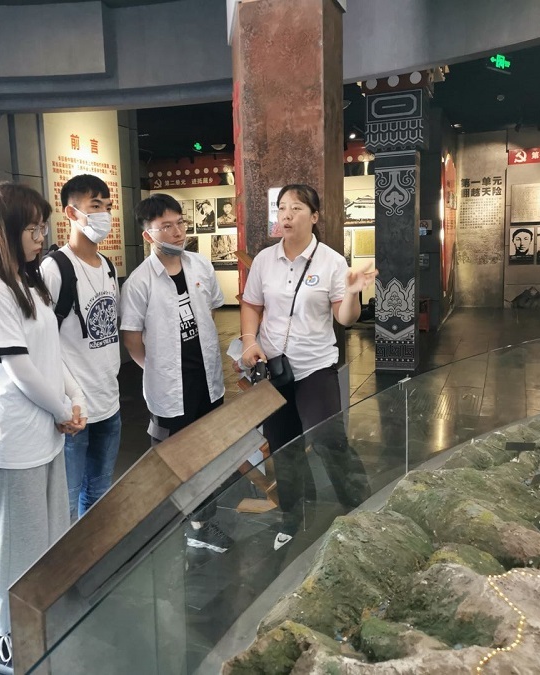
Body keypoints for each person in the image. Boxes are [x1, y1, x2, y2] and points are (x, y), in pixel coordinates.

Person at [0, 182, 86, 668]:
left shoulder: (28, 280)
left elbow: (50, 353)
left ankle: (40, 621)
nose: (40, 237)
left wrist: (74, 399)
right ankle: (4, 636)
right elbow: (19, 369)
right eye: (32, 228)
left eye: (42, 227)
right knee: (13, 545)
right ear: (5, 230)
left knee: (48, 538)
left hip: (46, 431)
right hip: (14, 438)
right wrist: (63, 410)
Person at [240, 184, 377, 551]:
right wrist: (250, 341)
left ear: (314, 216)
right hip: (274, 368)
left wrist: (352, 292)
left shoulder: (331, 261)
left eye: (296, 208)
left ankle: (360, 510)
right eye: (282, 207)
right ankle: (293, 513)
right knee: (282, 445)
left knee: (328, 439)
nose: (286, 215)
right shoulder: (265, 260)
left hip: (315, 366)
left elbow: (345, 319)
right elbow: (251, 304)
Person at [120, 194, 233, 553]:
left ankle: (203, 516)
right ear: (148, 234)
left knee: (208, 450)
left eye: (180, 222)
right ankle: (194, 525)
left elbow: (210, 312)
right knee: (177, 457)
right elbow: (132, 339)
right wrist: (159, 370)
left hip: (206, 380)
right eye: (166, 226)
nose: (177, 231)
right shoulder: (140, 282)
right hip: (170, 388)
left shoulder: (200, 266)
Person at [41, 174, 122, 520]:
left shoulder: (108, 266)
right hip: (73, 410)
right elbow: (41, 342)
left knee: (100, 493)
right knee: (67, 498)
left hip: (108, 401)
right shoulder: (54, 269)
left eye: (108, 206)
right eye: (95, 206)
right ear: (71, 213)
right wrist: (65, 400)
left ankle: (95, 550)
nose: (104, 214)